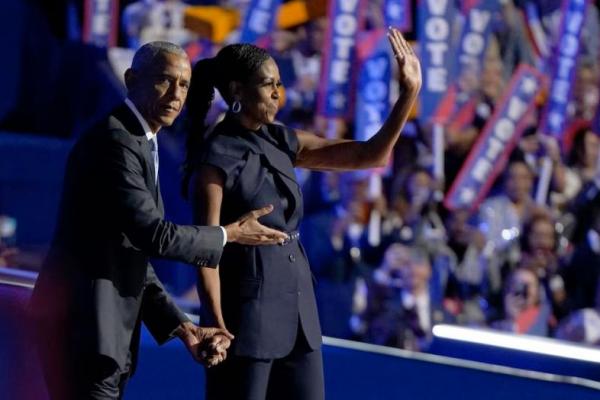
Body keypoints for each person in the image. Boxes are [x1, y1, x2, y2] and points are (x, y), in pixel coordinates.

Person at [29, 41, 287, 400]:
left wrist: (182, 327)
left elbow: (131, 253)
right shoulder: (114, 141)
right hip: (83, 330)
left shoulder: (139, 141)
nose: (176, 94)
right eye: (165, 81)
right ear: (131, 78)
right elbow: (154, 236)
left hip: (102, 337)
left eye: (184, 85)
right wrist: (228, 234)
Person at [183, 27, 420, 400]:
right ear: (237, 91)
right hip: (244, 319)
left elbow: (370, 155)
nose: (278, 92)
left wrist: (408, 94)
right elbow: (205, 249)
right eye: (267, 84)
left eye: (279, 83)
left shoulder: (279, 138)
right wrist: (213, 322)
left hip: (298, 314)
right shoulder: (216, 156)